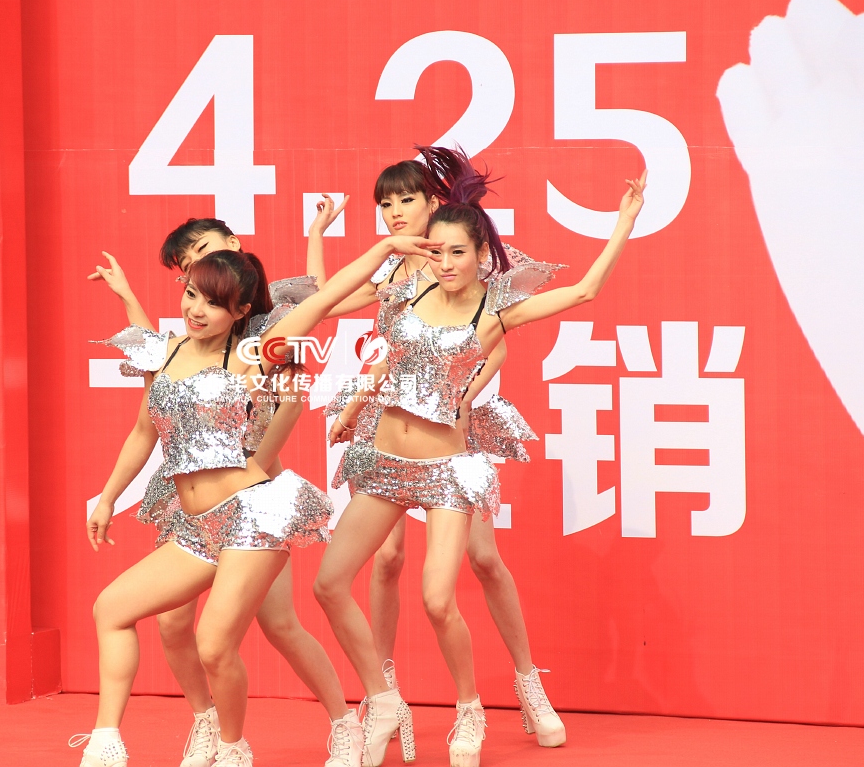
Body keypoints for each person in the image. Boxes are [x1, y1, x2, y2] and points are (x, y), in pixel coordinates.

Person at [312, 147, 646, 766]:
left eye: (457, 253)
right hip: (383, 463)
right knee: (331, 583)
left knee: (444, 594)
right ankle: (383, 698)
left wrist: (624, 220)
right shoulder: (404, 288)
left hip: (447, 469)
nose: (444, 262)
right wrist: (356, 402)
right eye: (436, 251)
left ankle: (479, 704)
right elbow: (336, 312)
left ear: (479, 253)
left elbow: (584, 291)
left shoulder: (495, 312)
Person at [73, 233, 443, 767]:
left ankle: (238, 747)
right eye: (191, 294)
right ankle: (106, 742)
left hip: (250, 516)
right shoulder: (167, 351)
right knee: (111, 609)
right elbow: (141, 432)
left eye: (213, 303)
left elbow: (323, 299)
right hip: (196, 528)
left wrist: (384, 249)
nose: (196, 310)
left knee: (216, 643)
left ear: (241, 312)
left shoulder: (253, 354)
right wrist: (108, 497)